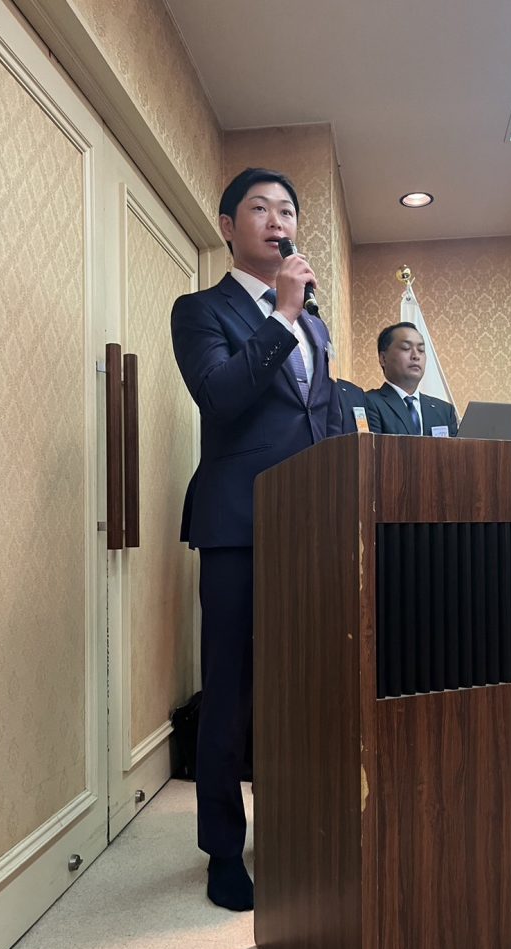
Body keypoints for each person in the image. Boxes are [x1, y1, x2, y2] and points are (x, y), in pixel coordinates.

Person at [171, 167, 342, 911]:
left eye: (288, 211)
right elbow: (220, 396)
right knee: (231, 690)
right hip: (237, 524)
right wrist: (282, 314)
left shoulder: (316, 325)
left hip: (311, 527)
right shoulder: (200, 310)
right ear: (227, 227)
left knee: (302, 685)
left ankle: (295, 829)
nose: (279, 221)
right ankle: (221, 849)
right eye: (261, 208)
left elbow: (322, 418)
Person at [365, 322, 457, 436]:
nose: (416, 356)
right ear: (383, 358)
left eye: (421, 350)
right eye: (406, 348)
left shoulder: (445, 411)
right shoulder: (368, 402)